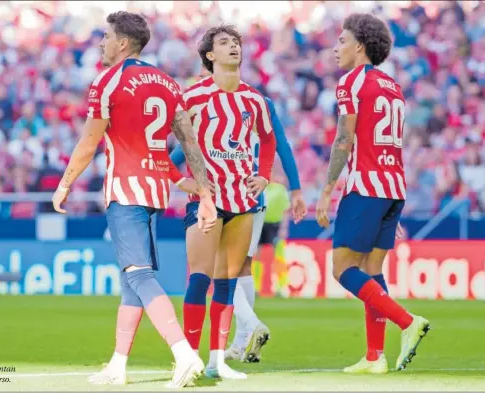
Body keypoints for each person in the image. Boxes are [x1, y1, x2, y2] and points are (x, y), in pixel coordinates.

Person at [50, 11, 217, 388]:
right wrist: (203, 191)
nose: (101, 43)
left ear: (123, 43)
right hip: (156, 190)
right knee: (132, 281)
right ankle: (118, 365)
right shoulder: (167, 82)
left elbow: (90, 140)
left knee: (138, 276)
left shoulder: (107, 82)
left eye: (106, 37)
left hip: (125, 188)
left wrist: (65, 183)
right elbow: (189, 142)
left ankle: (184, 353)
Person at [315, 13, 430, 374]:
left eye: (342, 41)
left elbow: (345, 138)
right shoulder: (392, 85)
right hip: (394, 185)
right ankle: (373, 356)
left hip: (366, 185)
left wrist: (327, 188)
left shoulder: (351, 82)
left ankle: (407, 321)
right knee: (372, 269)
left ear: (360, 46)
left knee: (342, 268)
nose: (337, 48)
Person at [169, 95, 306, 364]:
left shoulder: (204, 101)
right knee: (242, 268)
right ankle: (242, 341)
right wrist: (296, 188)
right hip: (256, 197)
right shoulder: (261, 102)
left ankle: (251, 325)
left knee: (220, 272)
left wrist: (176, 178)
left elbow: (176, 155)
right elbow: (281, 146)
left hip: (222, 197)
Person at [179, 25, 276, 380]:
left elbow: (268, 140)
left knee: (227, 284)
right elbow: (157, 141)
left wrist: (264, 175)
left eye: (236, 42)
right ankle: (188, 358)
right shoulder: (193, 97)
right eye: (224, 43)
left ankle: (216, 361)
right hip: (206, 200)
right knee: (199, 280)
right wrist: (179, 179)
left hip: (242, 201)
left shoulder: (254, 99)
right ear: (210, 55)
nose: (233, 47)